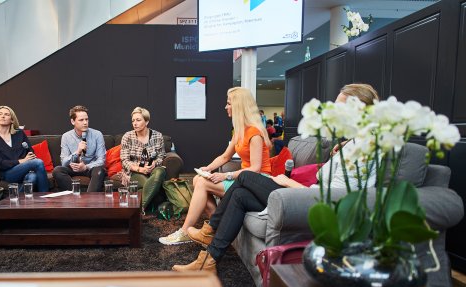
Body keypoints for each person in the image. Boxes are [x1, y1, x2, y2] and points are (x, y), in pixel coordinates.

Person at [171, 83, 379, 272]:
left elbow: (335, 197)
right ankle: (208, 261)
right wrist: (344, 146)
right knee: (240, 195)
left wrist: (289, 182)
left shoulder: (364, 149)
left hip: (311, 202)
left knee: (244, 178)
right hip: (307, 196)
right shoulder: (357, 144)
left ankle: (210, 229)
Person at [159, 87, 272, 245]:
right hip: (243, 179)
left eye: (228, 104)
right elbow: (225, 156)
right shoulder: (240, 131)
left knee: (202, 183)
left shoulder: (254, 133)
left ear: (239, 107)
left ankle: (186, 231)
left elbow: (256, 169)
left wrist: (225, 175)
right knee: (198, 179)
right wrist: (208, 168)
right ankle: (216, 229)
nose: (225, 107)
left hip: (256, 182)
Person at [0, 106, 49, 192]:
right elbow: (0, 163)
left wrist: (30, 155)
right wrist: (21, 161)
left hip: (24, 171)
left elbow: (30, 151)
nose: (2, 116)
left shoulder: (19, 134)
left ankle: (19, 198)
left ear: (12, 120)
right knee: (38, 162)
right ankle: (46, 199)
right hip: (7, 173)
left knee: (32, 177)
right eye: (0, 114)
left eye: (6, 114)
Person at [120, 107, 166, 213]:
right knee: (149, 185)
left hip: (153, 170)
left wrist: (154, 164)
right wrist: (140, 169)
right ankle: (146, 206)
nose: (135, 123)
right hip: (135, 171)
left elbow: (162, 156)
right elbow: (124, 160)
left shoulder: (157, 136)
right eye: (133, 120)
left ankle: (139, 208)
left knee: (160, 172)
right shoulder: (127, 136)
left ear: (146, 121)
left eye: (138, 120)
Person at [53, 105, 107, 192]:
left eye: (86, 119)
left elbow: (102, 160)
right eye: (81, 120)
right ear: (73, 121)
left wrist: (85, 167)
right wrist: (77, 152)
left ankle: (89, 199)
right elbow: (64, 162)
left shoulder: (97, 135)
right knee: (57, 170)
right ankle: (75, 195)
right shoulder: (66, 137)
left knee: (100, 171)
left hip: (90, 168)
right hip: (74, 168)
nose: (85, 122)